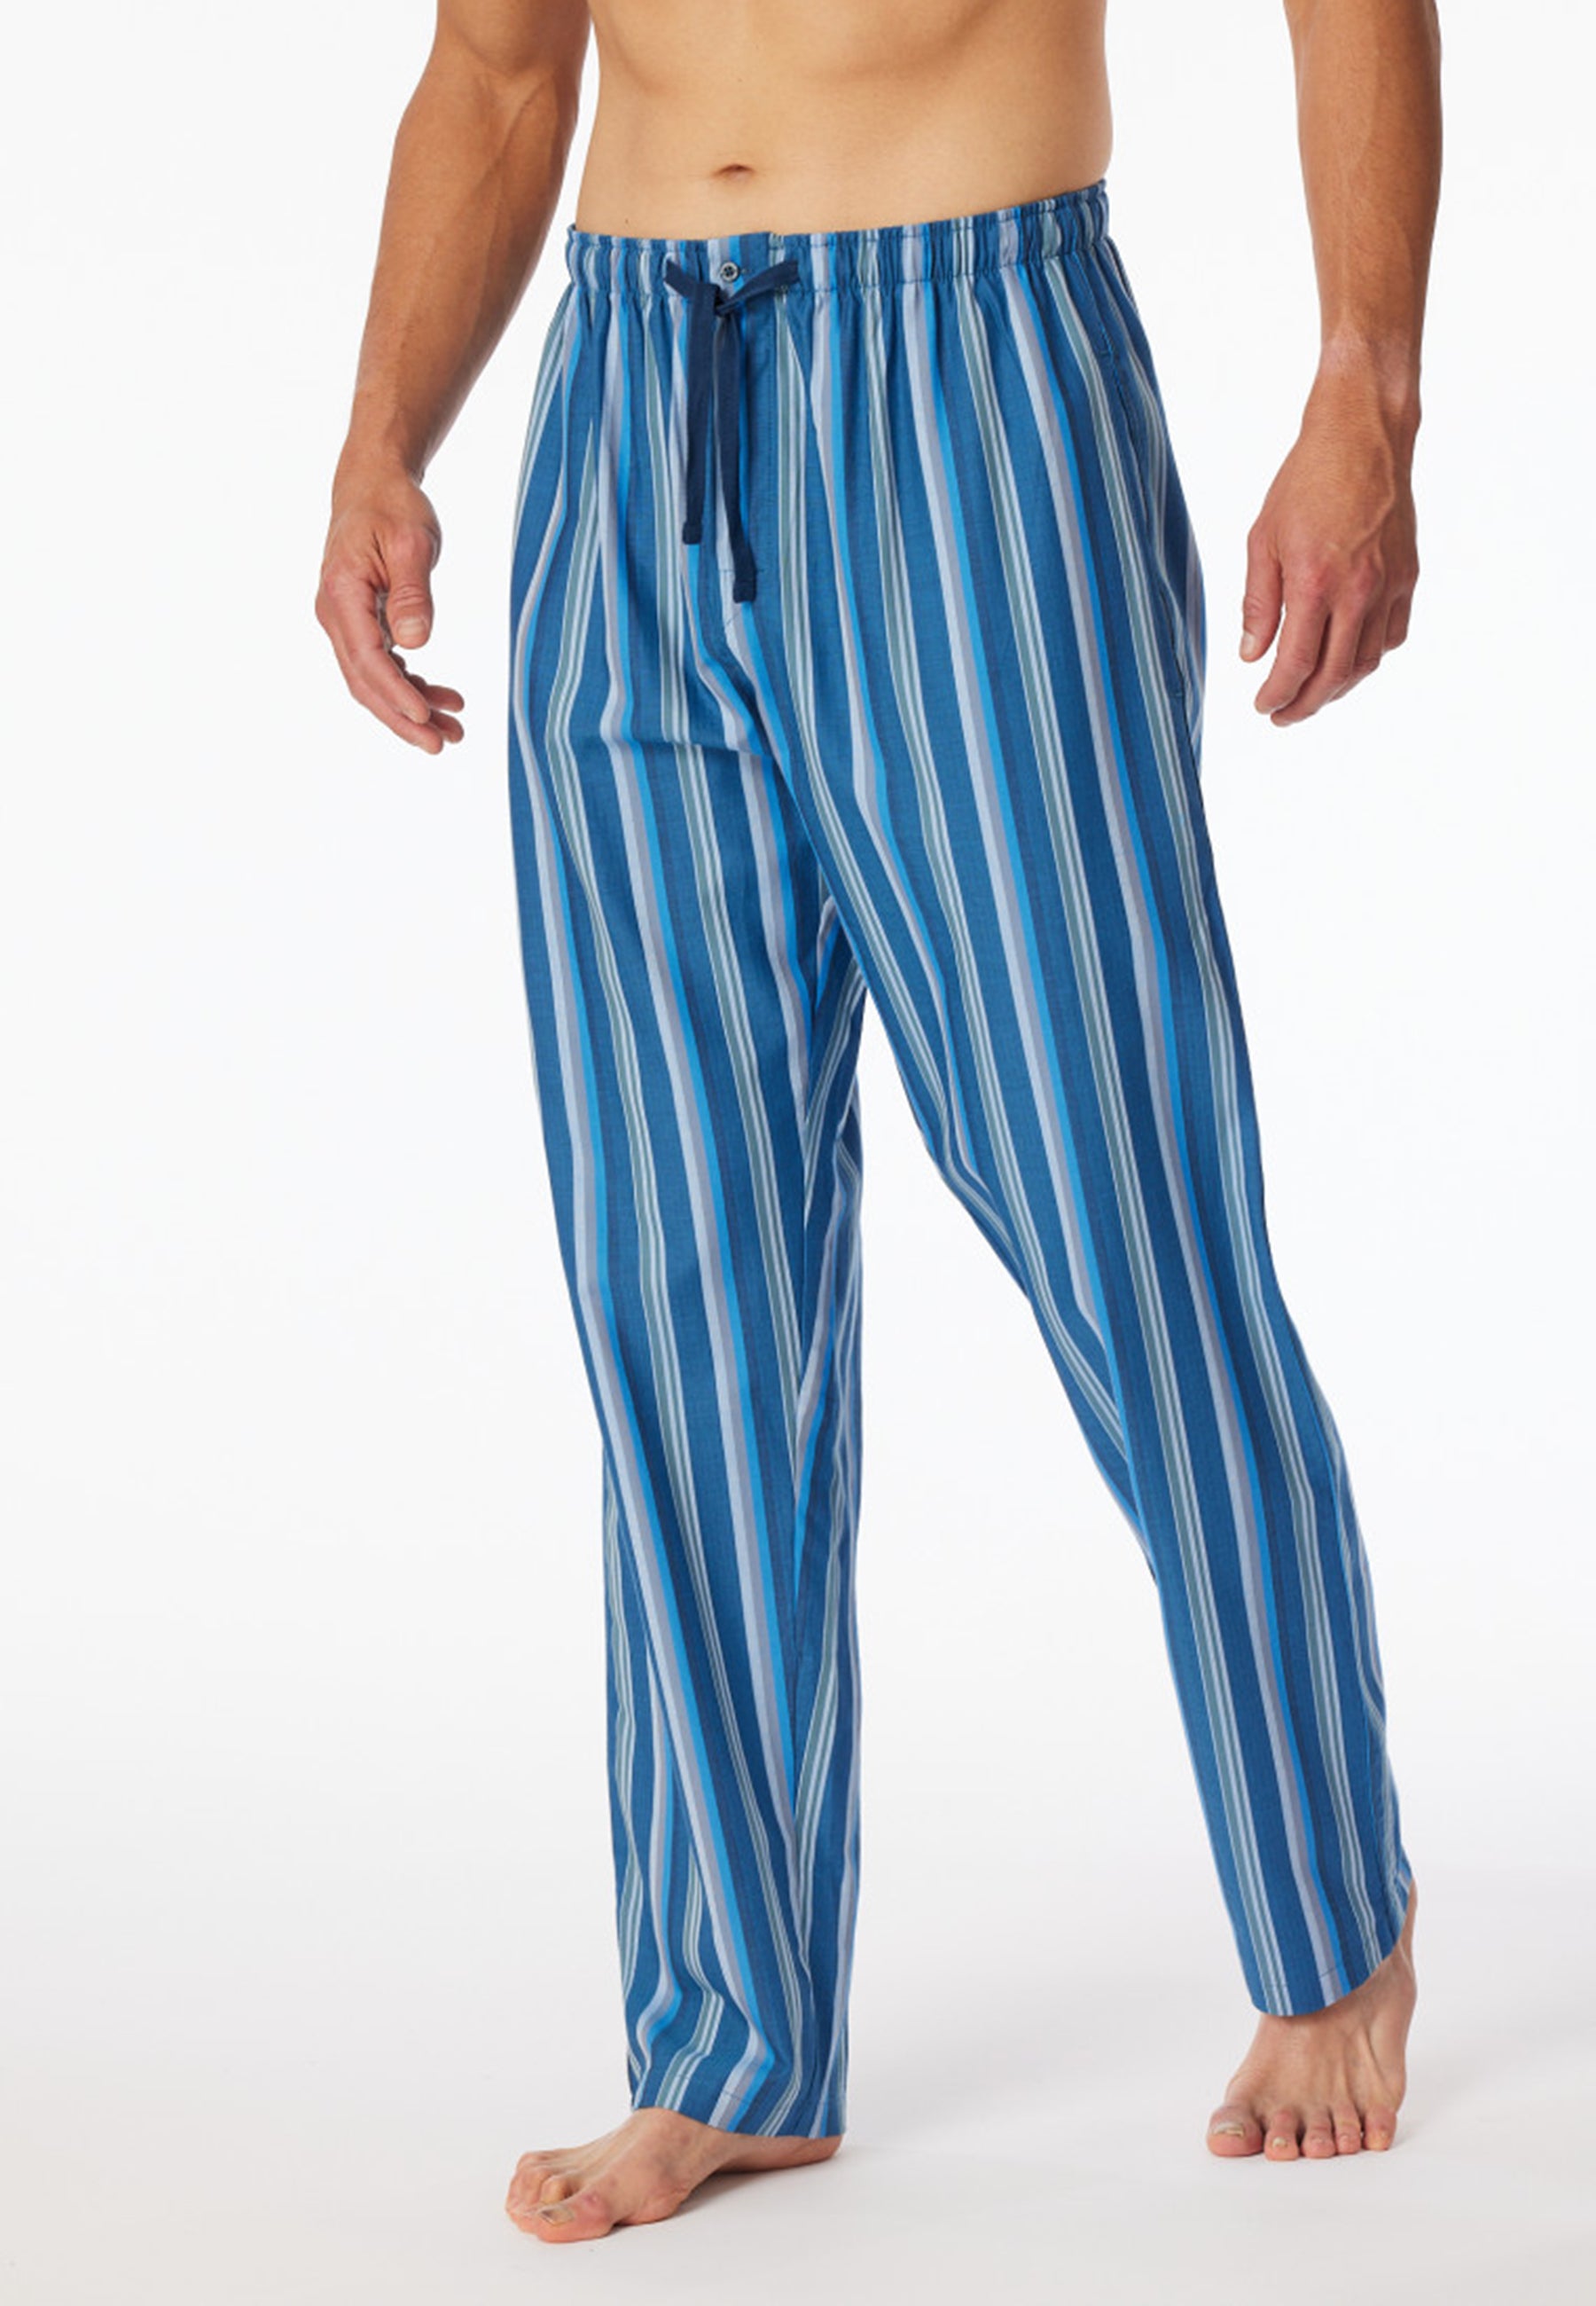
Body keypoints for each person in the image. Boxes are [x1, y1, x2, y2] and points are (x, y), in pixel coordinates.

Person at [315, 0, 1442, 2243]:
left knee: (1128, 1217)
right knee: (681, 1276)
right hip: (629, 402)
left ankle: (1335, 1930)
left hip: (972, 379)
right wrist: (379, 433)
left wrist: (1366, 385)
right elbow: (502, 67)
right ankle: (733, 2040)